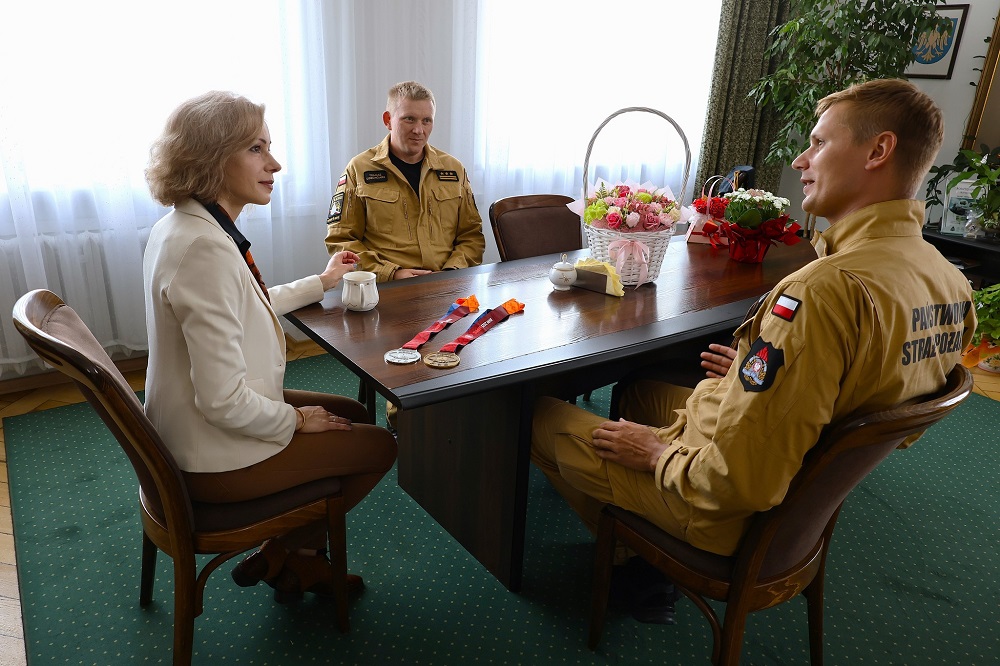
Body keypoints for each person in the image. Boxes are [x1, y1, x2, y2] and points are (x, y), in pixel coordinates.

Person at [531, 79, 976, 621]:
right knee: (641, 391)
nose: (801, 160)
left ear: (878, 151)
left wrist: (656, 455)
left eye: (819, 143)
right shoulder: (948, 281)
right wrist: (760, 376)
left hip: (725, 504)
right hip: (798, 480)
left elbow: (738, 480)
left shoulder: (824, 292)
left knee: (533, 416)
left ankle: (634, 559)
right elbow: (889, 418)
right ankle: (635, 541)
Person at [143, 91, 397, 604]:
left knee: (350, 413)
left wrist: (323, 282)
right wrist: (297, 420)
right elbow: (222, 402)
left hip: (187, 426)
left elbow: (245, 304)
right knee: (380, 446)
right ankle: (291, 553)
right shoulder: (205, 249)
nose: (274, 164)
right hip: (210, 455)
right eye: (257, 149)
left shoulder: (186, 226)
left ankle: (292, 557)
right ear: (213, 159)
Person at [325, 80, 485, 282]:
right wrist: (391, 273)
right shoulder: (359, 169)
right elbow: (341, 240)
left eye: (426, 121)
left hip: (447, 283)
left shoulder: (453, 170)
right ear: (388, 120)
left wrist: (451, 272)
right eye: (409, 119)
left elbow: (472, 236)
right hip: (387, 287)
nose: (419, 130)